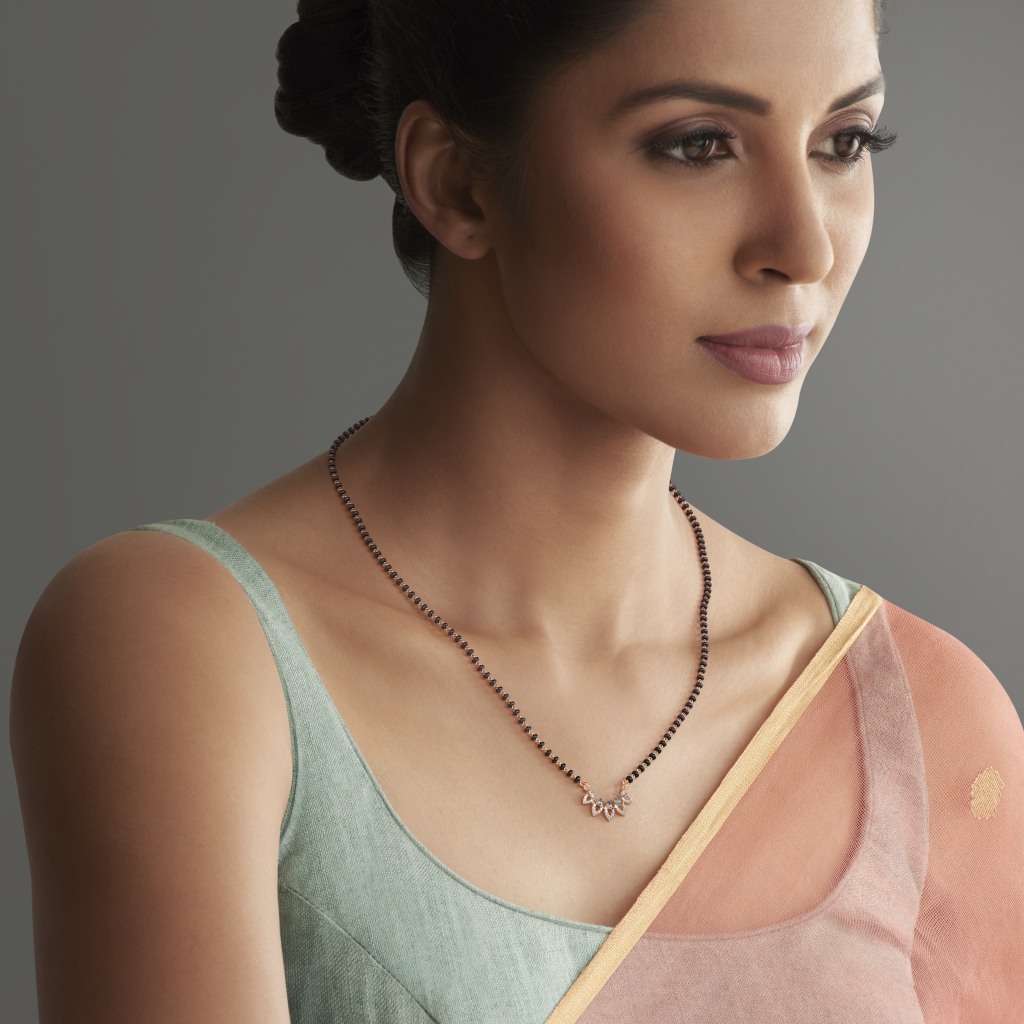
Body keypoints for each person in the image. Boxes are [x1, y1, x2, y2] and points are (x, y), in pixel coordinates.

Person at [10, 0, 1023, 1020]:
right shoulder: (192, 648)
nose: (802, 246)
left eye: (844, 143)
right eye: (698, 145)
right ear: (456, 182)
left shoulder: (920, 723)